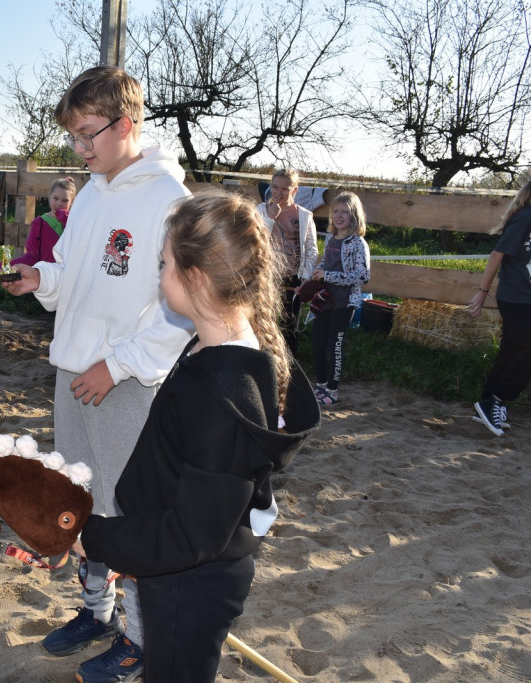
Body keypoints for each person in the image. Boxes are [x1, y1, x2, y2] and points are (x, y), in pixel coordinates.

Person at [72, 193, 320, 682]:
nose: (159, 274)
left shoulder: (223, 395)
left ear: (195, 278)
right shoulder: (217, 345)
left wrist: (95, 538)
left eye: (164, 263)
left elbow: (192, 534)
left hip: (191, 581)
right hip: (176, 565)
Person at [0, 65, 193, 682]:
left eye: (88, 135)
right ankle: (98, 611)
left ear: (126, 123)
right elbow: (69, 276)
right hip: (72, 372)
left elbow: (186, 310)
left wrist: (119, 365)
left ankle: (139, 637)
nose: (80, 149)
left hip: (126, 384)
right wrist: (40, 280)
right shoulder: (90, 195)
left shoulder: (169, 201)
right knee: (79, 501)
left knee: (127, 513)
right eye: (74, 138)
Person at [468, 180, 531, 436]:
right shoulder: (526, 217)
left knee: (511, 351)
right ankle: (495, 400)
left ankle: (484, 406)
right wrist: (482, 292)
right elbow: (497, 254)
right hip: (517, 298)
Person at [310, 192, 370, 406]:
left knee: (333, 346)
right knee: (317, 344)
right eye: (336, 211)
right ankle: (321, 384)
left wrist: (329, 276)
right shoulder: (330, 238)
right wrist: (318, 272)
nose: (339, 216)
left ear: (354, 216)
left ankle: (332, 391)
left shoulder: (358, 243)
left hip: (345, 303)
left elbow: (363, 276)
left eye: (344, 212)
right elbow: (325, 262)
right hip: (325, 300)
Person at [255, 169, 318, 355]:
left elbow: (312, 248)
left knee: (290, 326)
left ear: (295, 190)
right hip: (267, 277)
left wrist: (306, 277)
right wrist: (270, 218)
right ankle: (265, 363)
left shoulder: (304, 215)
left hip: (293, 279)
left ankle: (290, 368)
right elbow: (256, 239)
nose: (278, 192)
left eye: (285, 188)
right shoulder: (260, 210)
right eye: (274, 187)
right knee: (265, 322)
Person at [0, 177, 76, 269]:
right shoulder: (39, 224)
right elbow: (32, 256)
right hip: (46, 275)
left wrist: (67, 220)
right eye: (56, 198)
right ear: (49, 197)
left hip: (69, 275)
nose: (59, 204)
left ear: (72, 202)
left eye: (65, 200)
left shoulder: (76, 221)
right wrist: (5, 265)